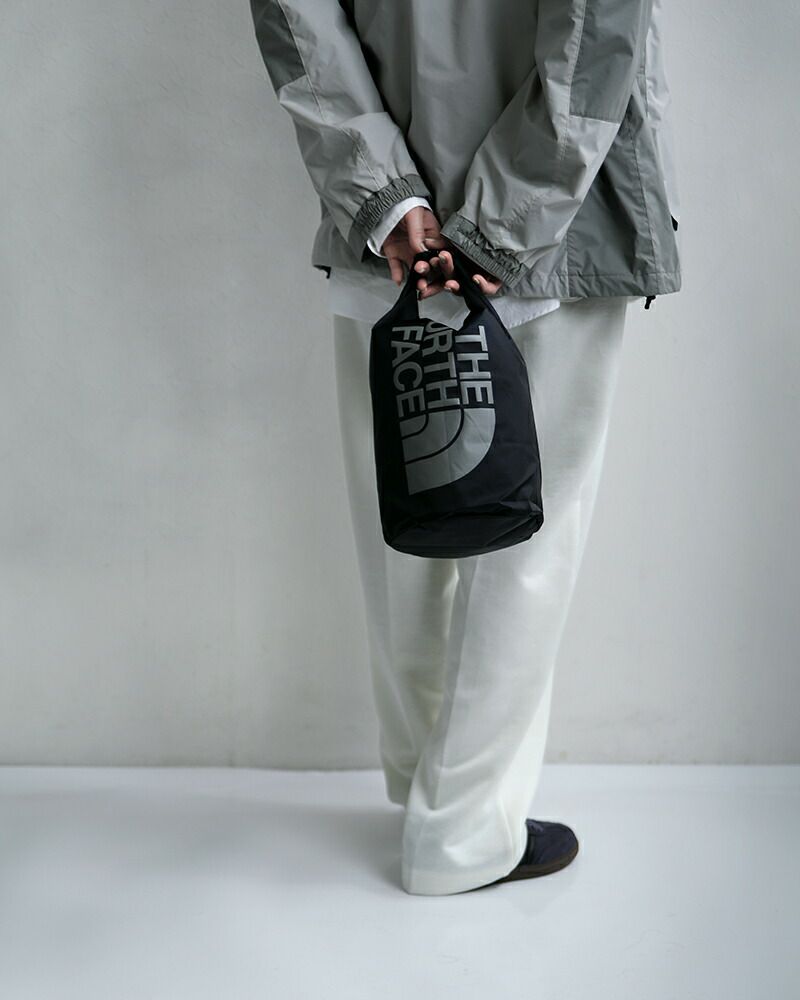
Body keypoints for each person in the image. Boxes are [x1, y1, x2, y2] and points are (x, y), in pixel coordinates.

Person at [249, 0, 682, 895]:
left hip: (390, 235)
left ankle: (426, 789)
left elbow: (297, 16)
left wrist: (388, 196)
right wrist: (501, 219)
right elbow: (597, 36)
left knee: (404, 535)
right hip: (557, 222)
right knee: (525, 550)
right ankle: (462, 835)